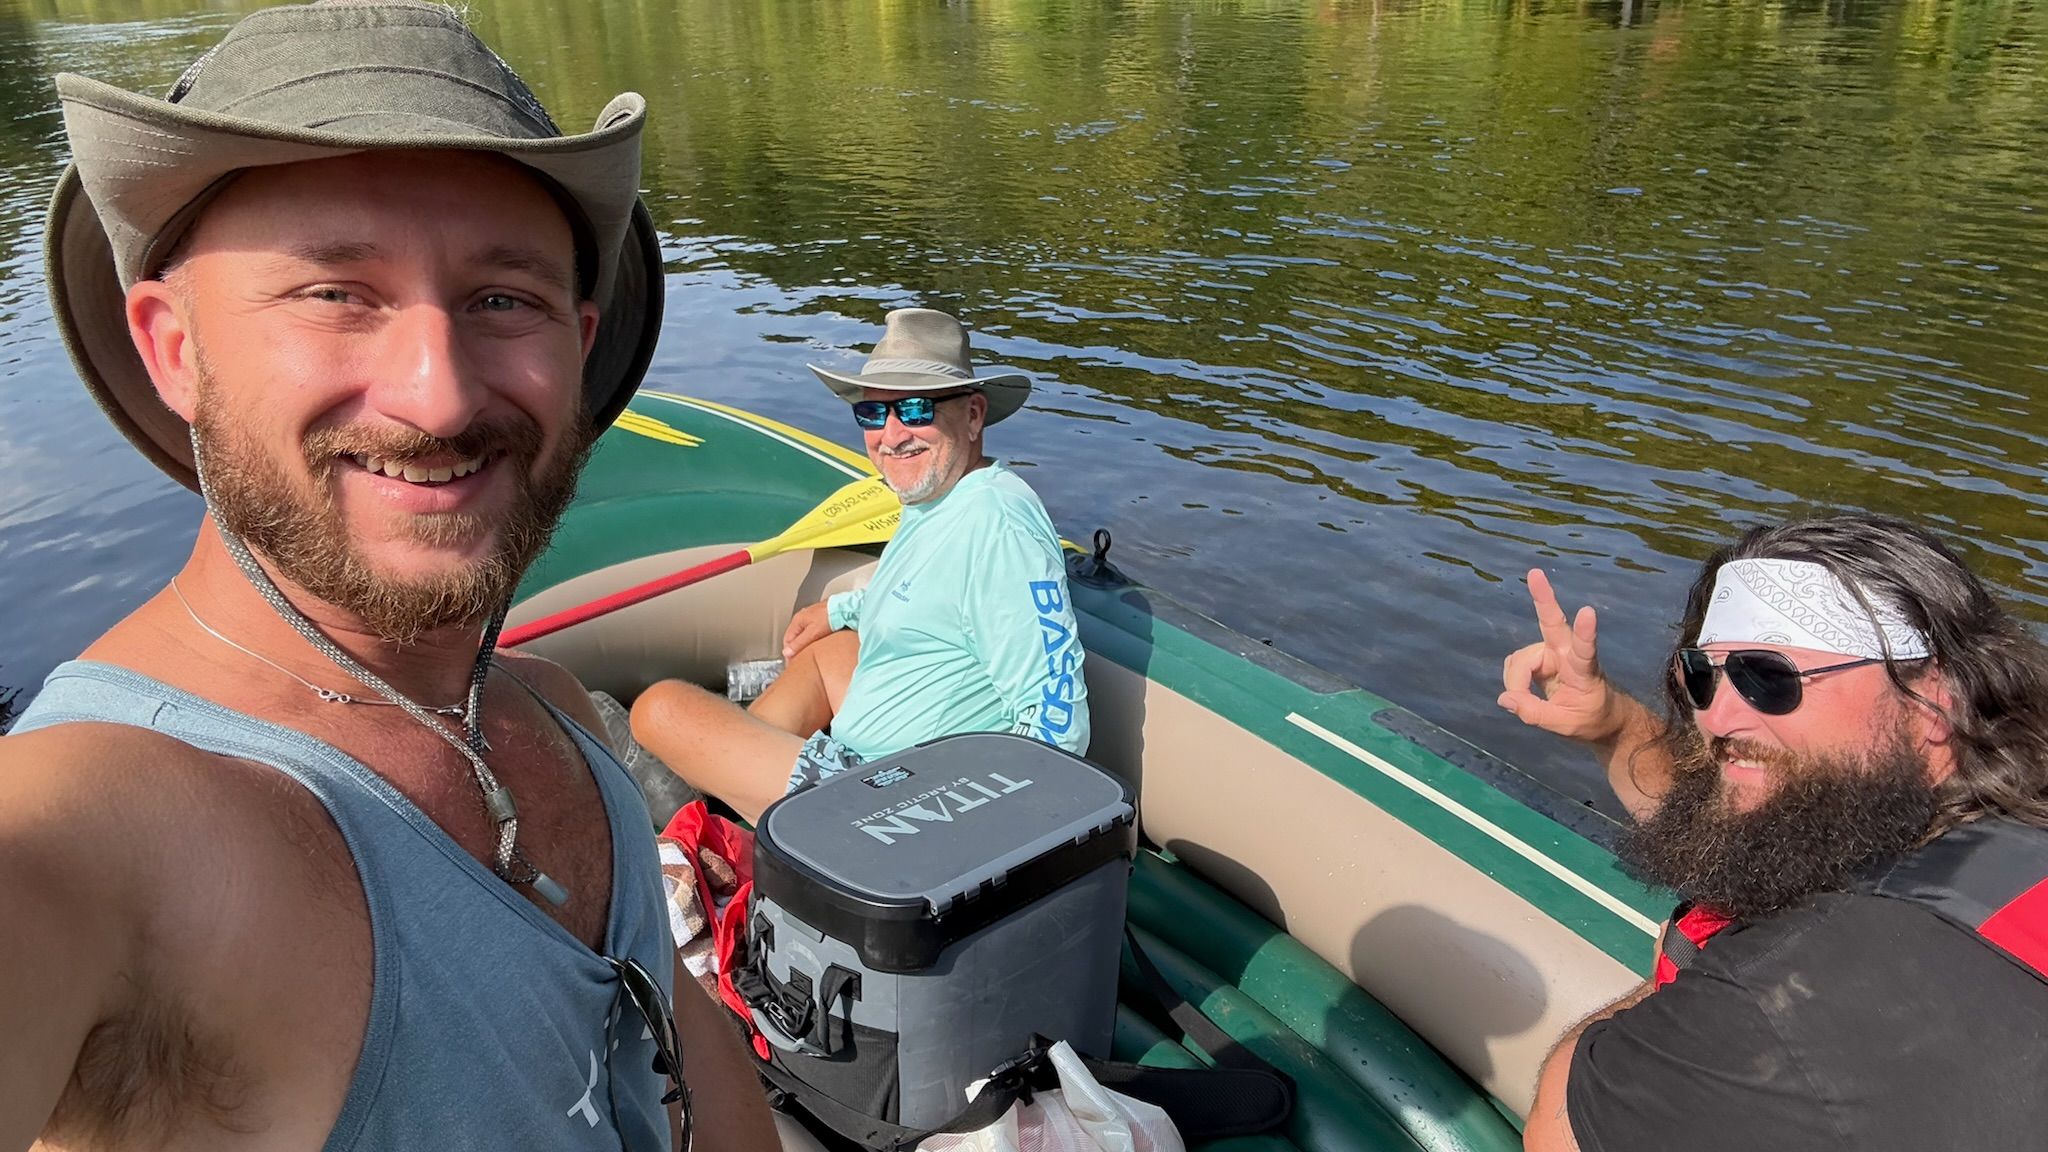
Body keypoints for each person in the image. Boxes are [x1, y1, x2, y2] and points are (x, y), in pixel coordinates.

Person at [0, 4, 776, 1149]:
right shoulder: (99, 833)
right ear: (175, 349)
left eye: (502, 299)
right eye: (335, 294)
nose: (441, 397)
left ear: (578, 335)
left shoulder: (550, 712)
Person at [1499, 514, 2048, 1151]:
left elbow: (1560, 1128)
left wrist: (1700, 970)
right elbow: (1753, 815)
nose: (1718, 716)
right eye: (1703, 675)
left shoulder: (1779, 1001)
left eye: (1770, 678)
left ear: (1933, 701)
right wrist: (1612, 725)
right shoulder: (1996, 819)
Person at [631, 308, 1089, 822]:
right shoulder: (940, 497)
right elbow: (929, 595)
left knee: (660, 707)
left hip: (885, 800)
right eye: (873, 415)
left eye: (915, 410)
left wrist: (961, 838)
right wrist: (843, 608)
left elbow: (1058, 720)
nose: (890, 436)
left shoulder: (999, 525)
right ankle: (725, 807)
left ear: (974, 415)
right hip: (879, 757)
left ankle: (712, 811)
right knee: (832, 652)